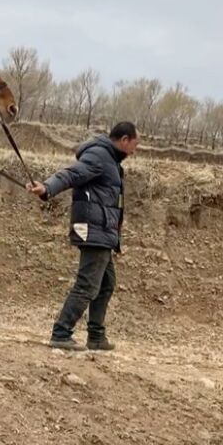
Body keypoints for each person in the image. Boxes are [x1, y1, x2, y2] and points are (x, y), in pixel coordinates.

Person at [27, 121, 139, 351]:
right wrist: (47, 187)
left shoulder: (111, 160)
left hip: (103, 231)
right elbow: (72, 174)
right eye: (135, 144)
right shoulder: (100, 156)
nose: (135, 149)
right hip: (94, 230)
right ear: (125, 139)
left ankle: (96, 337)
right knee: (88, 284)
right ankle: (61, 333)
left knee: (107, 283)